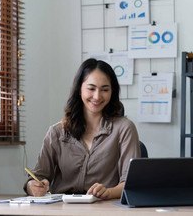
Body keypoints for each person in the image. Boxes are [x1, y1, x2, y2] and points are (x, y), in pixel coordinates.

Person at [24, 58, 140, 200]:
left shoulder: (124, 129)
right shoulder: (56, 132)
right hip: (63, 209)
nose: (97, 96)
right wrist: (33, 186)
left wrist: (109, 192)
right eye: (91, 89)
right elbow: (38, 176)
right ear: (79, 90)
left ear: (112, 92)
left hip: (104, 208)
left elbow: (130, 184)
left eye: (105, 90)